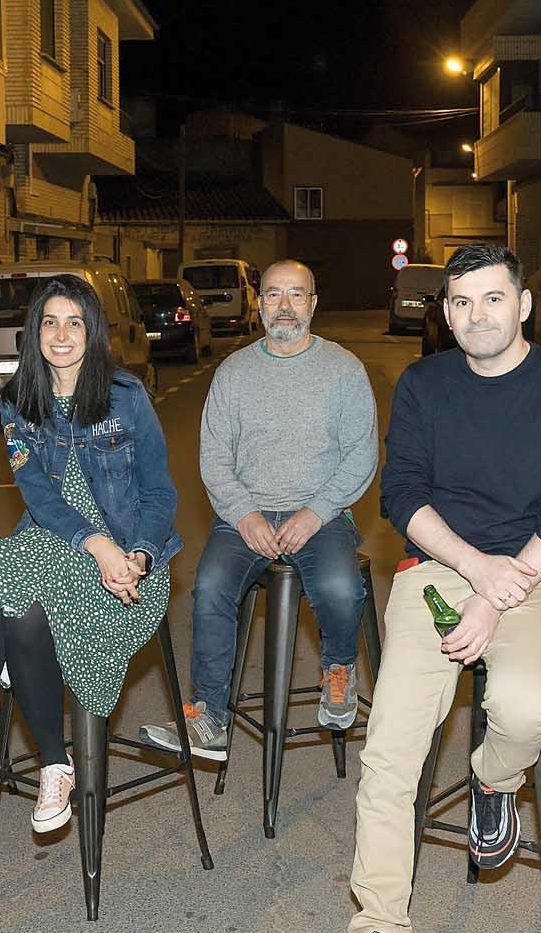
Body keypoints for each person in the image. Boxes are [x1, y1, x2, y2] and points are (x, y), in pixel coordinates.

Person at [341, 244, 541, 933]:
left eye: (492, 299)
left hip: (533, 570)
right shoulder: (425, 385)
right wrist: (471, 570)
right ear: (445, 312)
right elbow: (403, 495)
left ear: (524, 305)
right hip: (436, 571)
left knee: (522, 706)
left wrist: (500, 590)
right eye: (460, 303)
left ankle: (494, 780)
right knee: (391, 750)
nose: (475, 316)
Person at [0, 274, 181, 834]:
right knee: (4, 572)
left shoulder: (125, 395)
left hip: (131, 561)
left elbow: (160, 491)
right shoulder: (21, 400)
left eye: (74, 322)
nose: (61, 334)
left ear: (92, 331)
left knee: (6, 585)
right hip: (56, 538)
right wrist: (92, 545)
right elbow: (40, 495)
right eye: (49, 322)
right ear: (34, 332)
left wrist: (134, 554)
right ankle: (33, 760)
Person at [139, 260, 377, 761]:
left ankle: (338, 668)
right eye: (273, 294)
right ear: (259, 303)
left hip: (322, 516)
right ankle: (209, 714)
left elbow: (361, 454)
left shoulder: (344, 370)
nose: (284, 306)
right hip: (245, 515)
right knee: (208, 589)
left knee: (338, 586)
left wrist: (315, 512)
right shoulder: (234, 372)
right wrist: (244, 514)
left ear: (313, 304)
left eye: (296, 294)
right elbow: (214, 456)